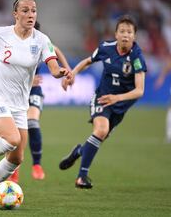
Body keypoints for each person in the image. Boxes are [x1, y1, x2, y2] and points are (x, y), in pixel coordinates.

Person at [0, 0, 73, 204]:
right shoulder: (1, 34)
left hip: (19, 106)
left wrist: (61, 73)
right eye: (25, 10)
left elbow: (53, 66)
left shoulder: (42, 40)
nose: (30, 14)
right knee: (12, 139)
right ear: (15, 14)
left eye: (33, 10)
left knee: (17, 158)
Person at [59, 15, 147, 189]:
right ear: (115, 34)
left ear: (134, 36)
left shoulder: (137, 58)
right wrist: (73, 74)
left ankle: (78, 152)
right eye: (122, 31)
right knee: (101, 130)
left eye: (129, 32)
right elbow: (87, 61)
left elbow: (139, 90)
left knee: (98, 138)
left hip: (119, 106)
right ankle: (81, 177)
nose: (125, 35)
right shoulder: (106, 48)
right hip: (102, 98)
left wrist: (117, 98)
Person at [8, 21, 73, 182]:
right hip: (15, 92)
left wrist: (68, 71)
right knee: (15, 131)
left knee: (32, 123)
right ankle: (14, 168)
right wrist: (29, 82)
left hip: (34, 92)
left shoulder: (42, 44)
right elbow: (7, 75)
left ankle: (37, 165)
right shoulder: (11, 45)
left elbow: (55, 50)